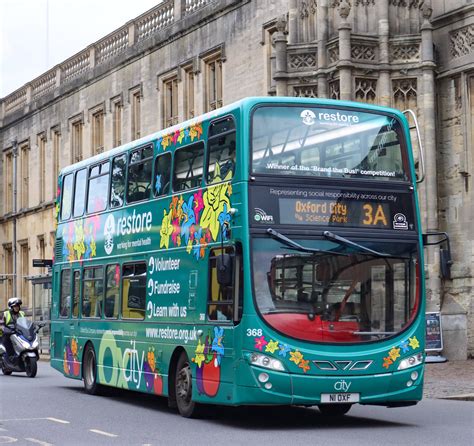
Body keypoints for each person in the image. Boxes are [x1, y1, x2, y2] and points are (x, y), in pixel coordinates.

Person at [0, 297, 25, 367]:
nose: (17, 307)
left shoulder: (22, 313)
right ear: (11, 307)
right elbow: (1, 325)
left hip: (18, 333)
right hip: (7, 334)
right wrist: (6, 330)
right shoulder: (5, 314)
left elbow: (26, 323)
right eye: (15, 306)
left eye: (18, 306)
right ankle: (9, 358)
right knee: (8, 343)